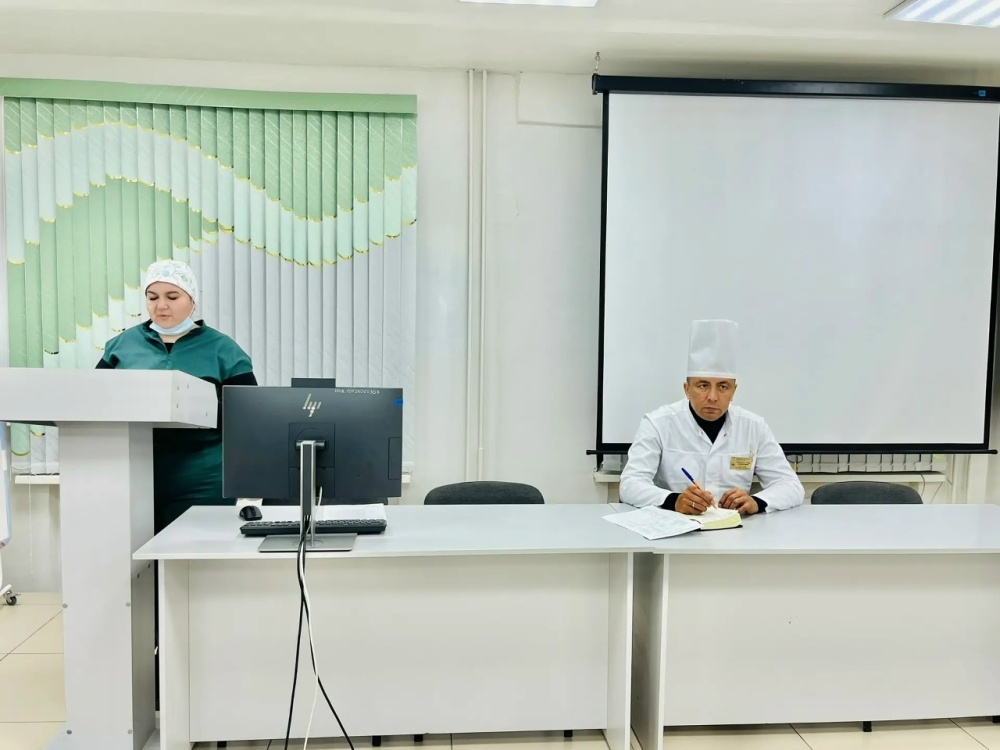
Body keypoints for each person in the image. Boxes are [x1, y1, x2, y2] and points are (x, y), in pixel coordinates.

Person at [97, 260, 257, 531]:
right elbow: (93, 402)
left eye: (172, 297)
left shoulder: (223, 350)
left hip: (202, 476)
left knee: (194, 550)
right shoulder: (121, 346)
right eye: (152, 297)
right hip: (130, 472)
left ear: (192, 300)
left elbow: (248, 416)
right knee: (131, 553)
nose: (161, 306)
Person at [619, 319, 804, 515]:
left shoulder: (753, 427)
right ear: (687, 389)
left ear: (733, 391)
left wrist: (757, 502)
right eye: (703, 385)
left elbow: (791, 485)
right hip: (676, 525)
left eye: (723, 386)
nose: (713, 397)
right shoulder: (658, 424)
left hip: (737, 529)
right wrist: (674, 500)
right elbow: (630, 483)